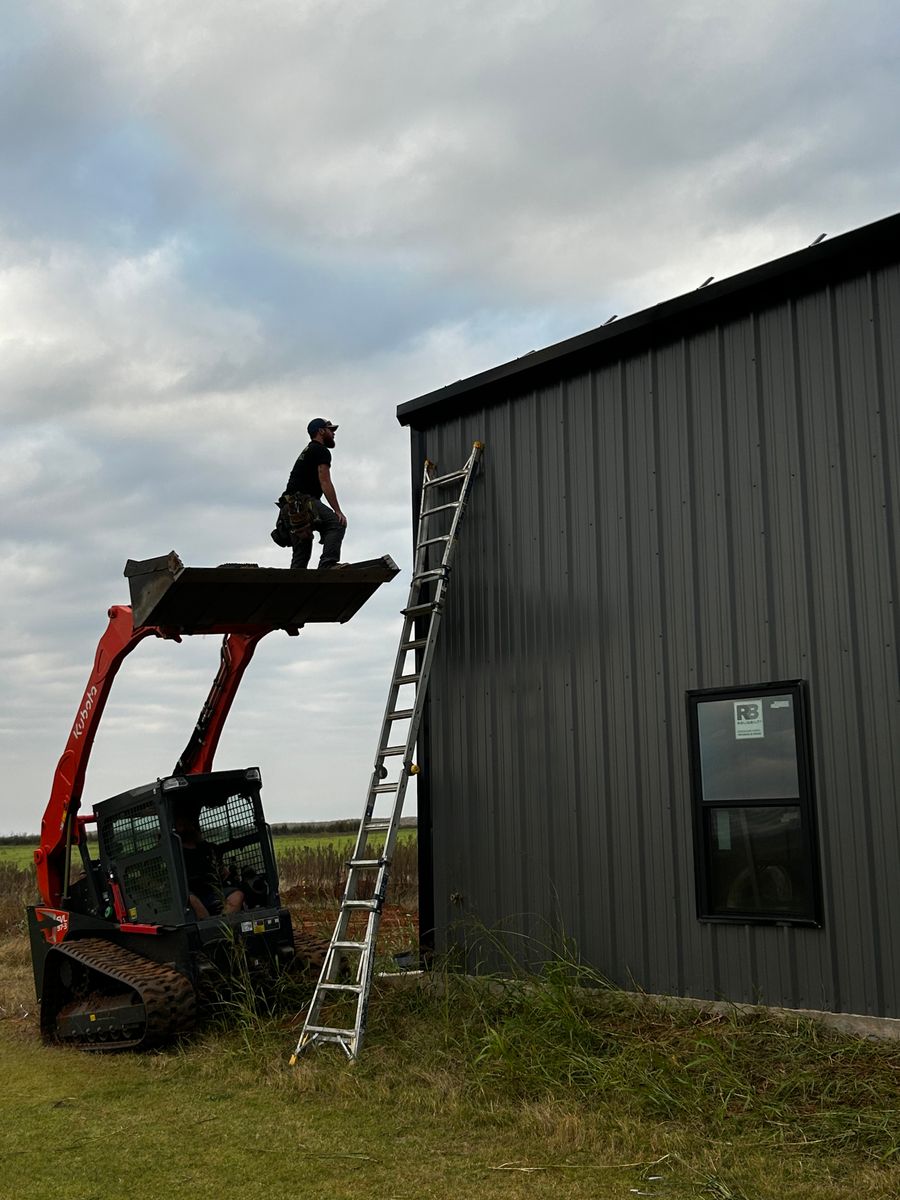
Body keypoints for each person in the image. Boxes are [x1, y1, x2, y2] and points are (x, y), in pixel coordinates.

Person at [283, 418, 348, 569]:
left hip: (290, 507)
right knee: (336, 523)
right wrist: (337, 511)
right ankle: (328, 564)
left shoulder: (308, 450)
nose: (333, 434)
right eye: (330, 430)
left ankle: (293, 586)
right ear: (321, 431)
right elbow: (325, 481)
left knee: (301, 554)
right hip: (303, 502)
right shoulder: (320, 450)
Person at [174, 810, 245, 919]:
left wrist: (226, 874)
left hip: (212, 892)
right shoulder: (174, 851)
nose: (184, 827)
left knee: (237, 896)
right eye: (180, 824)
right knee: (191, 899)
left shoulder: (206, 849)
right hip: (190, 895)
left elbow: (221, 869)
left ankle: (223, 925)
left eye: (186, 823)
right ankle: (208, 927)